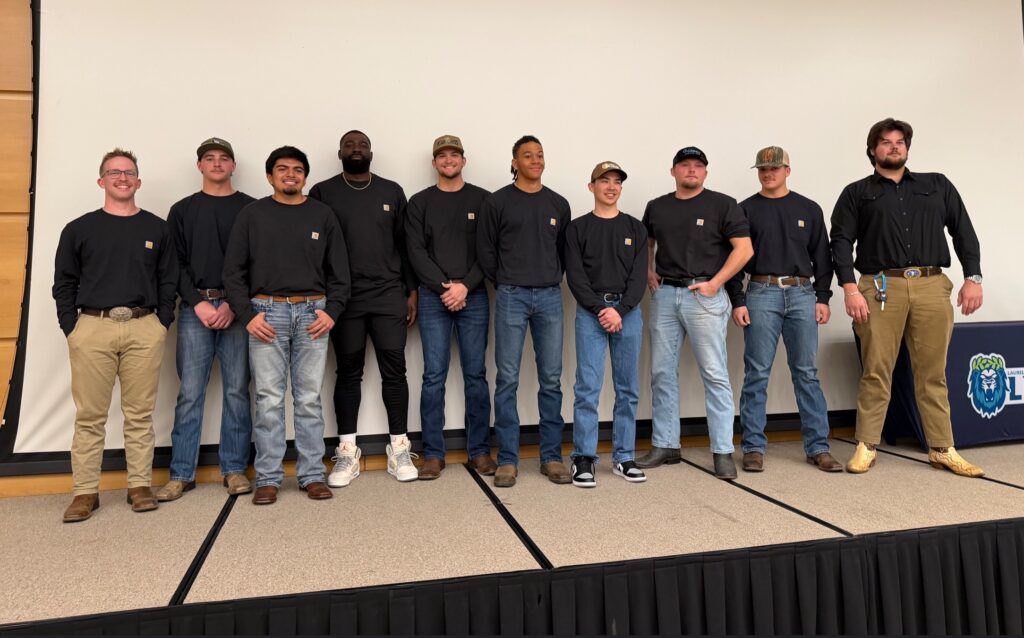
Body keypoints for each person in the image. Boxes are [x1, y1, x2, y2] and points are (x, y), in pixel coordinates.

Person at [830, 118, 984, 477]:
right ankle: (867, 445)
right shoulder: (857, 193)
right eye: (885, 142)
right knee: (876, 369)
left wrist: (972, 278)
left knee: (933, 373)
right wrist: (850, 287)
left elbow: (963, 231)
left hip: (932, 285)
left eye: (900, 142)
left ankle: (942, 448)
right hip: (881, 286)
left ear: (908, 148)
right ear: (872, 150)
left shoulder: (937, 185)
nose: (894, 147)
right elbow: (839, 242)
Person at [53, 148, 177, 522]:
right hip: (93, 328)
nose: (122, 178)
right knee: (90, 416)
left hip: (144, 327)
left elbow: (168, 280)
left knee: (139, 414)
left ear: (138, 181)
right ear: (101, 180)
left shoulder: (157, 228)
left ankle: (139, 486)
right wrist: (72, 328)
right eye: (114, 172)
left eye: (129, 173)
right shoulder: (79, 229)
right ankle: (84, 493)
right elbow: (64, 283)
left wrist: (161, 323)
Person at [223, 146, 350, 505]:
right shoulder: (252, 215)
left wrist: (332, 311)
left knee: (309, 399)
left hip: (313, 314)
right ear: (269, 176)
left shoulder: (323, 215)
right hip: (267, 314)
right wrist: (249, 317)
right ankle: (268, 477)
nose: (290, 174)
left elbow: (340, 272)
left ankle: (311, 475)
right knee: (268, 400)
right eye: (282, 169)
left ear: (305, 176)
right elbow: (233, 273)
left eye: (297, 169)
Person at [309, 130, 419, 485]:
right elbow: (315, 248)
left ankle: (399, 448)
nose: (356, 149)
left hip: (389, 295)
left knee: (395, 372)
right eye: (349, 145)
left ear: (371, 152)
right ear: (339, 152)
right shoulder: (323, 192)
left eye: (362, 145)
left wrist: (411, 291)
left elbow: (406, 246)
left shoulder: (391, 191)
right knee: (348, 372)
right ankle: (346, 451)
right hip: (344, 299)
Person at [637, 147, 753, 479]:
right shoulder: (657, 207)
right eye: (685, 165)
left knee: (714, 374)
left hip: (704, 296)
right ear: (673, 171)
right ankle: (666, 444)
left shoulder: (723, 205)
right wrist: (648, 271)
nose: (691, 170)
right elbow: (647, 243)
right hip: (666, 295)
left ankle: (722, 451)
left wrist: (716, 283)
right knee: (661, 372)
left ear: (705, 172)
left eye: (698, 166)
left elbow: (744, 249)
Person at [726, 146, 842, 473]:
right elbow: (733, 259)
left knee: (806, 372)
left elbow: (823, 257)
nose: (768, 174)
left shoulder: (808, 208)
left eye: (774, 168)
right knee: (757, 372)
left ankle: (818, 447)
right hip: (761, 292)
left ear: (787, 170)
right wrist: (738, 300)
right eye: (763, 169)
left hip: (803, 294)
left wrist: (822, 297)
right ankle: (753, 447)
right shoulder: (744, 210)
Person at [157, 138, 255, 502]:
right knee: (190, 394)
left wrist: (233, 303)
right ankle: (181, 473)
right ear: (199, 166)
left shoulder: (250, 208)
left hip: (238, 312)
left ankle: (234, 470)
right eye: (209, 159)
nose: (216, 164)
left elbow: (255, 262)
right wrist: (197, 303)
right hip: (195, 311)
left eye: (223, 159)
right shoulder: (182, 211)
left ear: (233, 166)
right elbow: (174, 264)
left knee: (236, 392)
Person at [477, 135, 572, 487]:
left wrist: (548, 280)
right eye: (527, 155)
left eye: (540, 155)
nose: (535, 160)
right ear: (514, 162)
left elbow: (563, 251)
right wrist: (505, 283)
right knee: (508, 379)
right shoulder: (497, 202)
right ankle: (508, 459)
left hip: (549, 297)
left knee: (550, 379)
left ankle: (551, 457)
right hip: (511, 297)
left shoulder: (558, 204)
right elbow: (486, 251)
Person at [405, 135, 495, 479]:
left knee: (476, 376)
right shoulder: (419, 203)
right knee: (433, 377)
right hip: (433, 297)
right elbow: (415, 252)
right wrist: (444, 287)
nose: (448, 160)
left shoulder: (483, 200)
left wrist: (465, 286)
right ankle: (432, 454)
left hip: (473, 295)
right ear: (434, 163)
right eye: (442, 156)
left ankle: (480, 452)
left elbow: (488, 251)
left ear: (463, 160)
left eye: (454, 155)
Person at [565, 161, 648, 487]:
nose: (611, 187)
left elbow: (639, 277)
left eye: (616, 182)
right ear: (592, 187)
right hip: (591, 313)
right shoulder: (577, 228)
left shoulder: (635, 228)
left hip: (628, 314)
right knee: (587, 387)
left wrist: (621, 309)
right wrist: (602, 309)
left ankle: (623, 457)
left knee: (627, 389)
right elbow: (576, 276)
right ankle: (583, 458)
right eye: (604, 181)